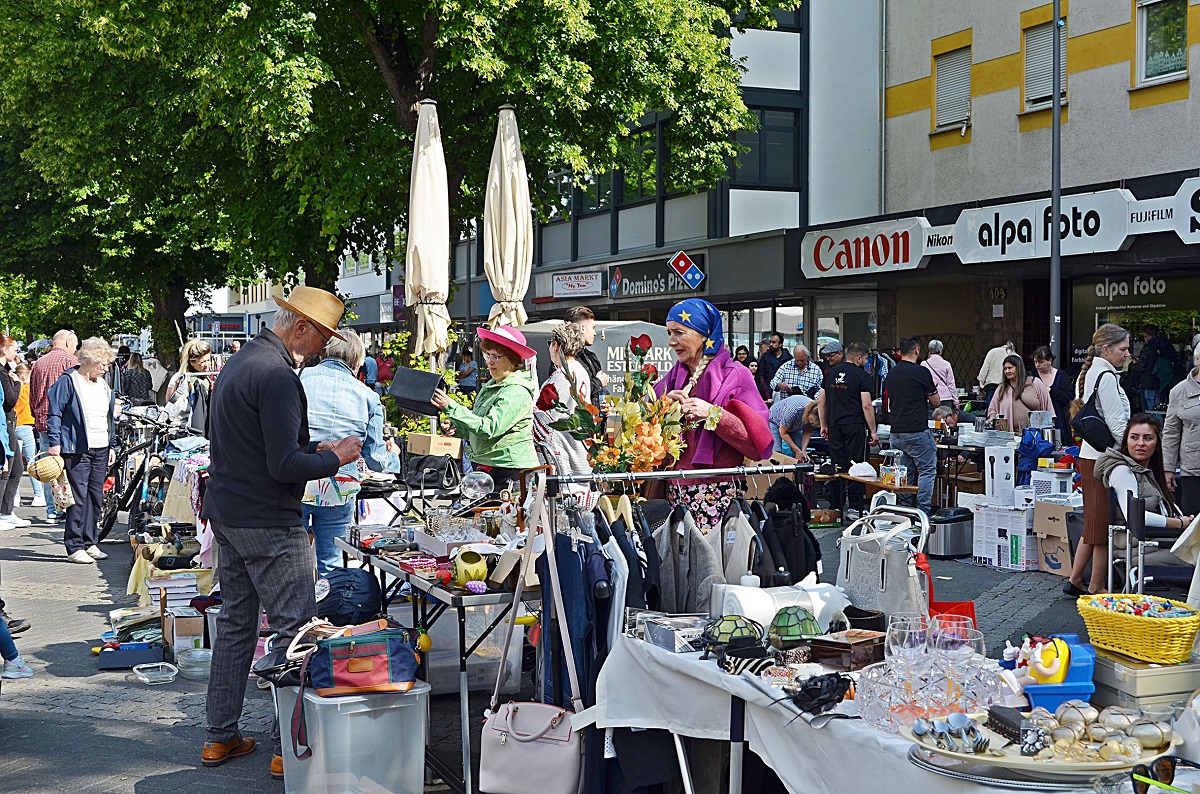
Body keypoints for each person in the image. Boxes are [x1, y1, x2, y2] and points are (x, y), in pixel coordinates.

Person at [200, 286, 362, 779]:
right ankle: (286, 748)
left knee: (234, 626)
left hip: (230, 512)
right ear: (301, 328)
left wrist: (317, 445)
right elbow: (284, 463)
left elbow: (257, 443)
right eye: (324, 337)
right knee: (296, 634)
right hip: (267, 521)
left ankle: (219, 736)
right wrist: (336, 457)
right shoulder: (278, 377)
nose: (324, 348)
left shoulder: (242, 361)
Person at [653, 299, 773, 532]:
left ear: (704, 334)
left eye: (679, 332)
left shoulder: (736, 375)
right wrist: (665, 408)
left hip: (719, 495)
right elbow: (646, 423)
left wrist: (713, 414)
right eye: (669, 333)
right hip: (674, 494)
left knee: (714, 565)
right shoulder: (672, 377)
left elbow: (757, 444)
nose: (671, 341)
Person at [301, 332, 402, 576]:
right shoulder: (368, 396)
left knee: (292, 562)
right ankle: (330, 610)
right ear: (358, 361)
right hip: (340, 483)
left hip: (298, 477)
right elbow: (376, 460)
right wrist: (395, 457)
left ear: (324, 351)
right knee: (332, 562)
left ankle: (293, 612)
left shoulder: (298, 378)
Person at [1065, 323, 1132, 597]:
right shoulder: (1105, 376)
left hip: (1090, 456)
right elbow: (1118, 425)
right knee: (1100, 525)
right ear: (1107, 349)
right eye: (1123, 349)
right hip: (1104, 459)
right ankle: (1096, 586)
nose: (1127, 354)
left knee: (1094, 523)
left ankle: (1075, 579)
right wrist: (1133, 451)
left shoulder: (1091, 373)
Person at [432, 325, 538, 492]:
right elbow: (477, 426)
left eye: (496, 357)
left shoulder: (516, 391)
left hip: (512, 471)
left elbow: (489, 429)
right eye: (487, 354)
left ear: (513, 361)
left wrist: (451, 407)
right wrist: (457, 428)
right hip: (491, 466)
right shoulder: (492, 385)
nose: (489, 361)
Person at [1094, 414, 1193, 586]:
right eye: (1134, 437)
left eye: (1147, 438)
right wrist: (1178, 523)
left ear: (1156, 445)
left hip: (1152, 544)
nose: (1140, 443)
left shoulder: (1145, 471)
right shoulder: (1122, 471)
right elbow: (1135, 516)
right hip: (1137, 550)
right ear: (1126, 442)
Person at [46, 338, 117, 564]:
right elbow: (55, 412)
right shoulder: (69, 381)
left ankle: (90, 541)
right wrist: (55, 442)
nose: (107, 368)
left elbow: (108, 417)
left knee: (96, 496)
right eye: (104, 363)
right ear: (89, 360)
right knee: (77, 497)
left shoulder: (103, 385)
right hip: (76, 448)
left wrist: (112, 444)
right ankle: (74, 545)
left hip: (101, 446)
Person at [817, 341, 877, 518]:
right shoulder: (862, 376)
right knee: (857, 466)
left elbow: (821, 401)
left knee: (837, 465)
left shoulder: (830, 373)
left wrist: (824, 425)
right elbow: (866, 405)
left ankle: (836, 506)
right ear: (859, 357)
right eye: (865, 358)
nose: (866, 362)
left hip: (834, 425)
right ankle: (855, 507)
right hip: (855, 425)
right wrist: (873, 430)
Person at [885, 337, 940, 514]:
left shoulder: (892, 373)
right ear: (917, 350)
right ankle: (922, 511)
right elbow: (936, 401)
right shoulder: (921, 372)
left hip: (896, 432)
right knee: (926, 470)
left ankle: (904, 510)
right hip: (916, 429)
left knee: (903, 472)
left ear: (899, 352)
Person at [29, 330, 78, 522]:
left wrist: (37, 416)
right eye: (75, 344)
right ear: (67, 342)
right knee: (70, 467)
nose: (76, 348)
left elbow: (32, 394)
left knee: (49, 468)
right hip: (66, 424)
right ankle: (68, 508)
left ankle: (52, 509)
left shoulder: (39, 363)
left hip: (43, 422)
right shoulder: (71, 362)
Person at [1163, 343, 1200, 515]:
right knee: (1193, 524)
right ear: (1198, 360)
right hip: (1193, 470)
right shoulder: (1179, 391)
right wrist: (1168, 467)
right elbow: (1171, 432)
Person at [0, 336, 29, 529]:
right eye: (14, 349)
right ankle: (3, 513)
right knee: (7, 469)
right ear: (4, 349)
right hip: (5, 424)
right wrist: (18, 383)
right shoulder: (3, 374)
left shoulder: (5, 371)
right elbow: (10, 400)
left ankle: (6, 512)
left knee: (16, 468)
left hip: (9, 424)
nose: (16, 353)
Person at [986, 354, 1052, 432]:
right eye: (1005, 369)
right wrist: (991, 418)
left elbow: (1047, 404)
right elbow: (993, 408)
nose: (1007, 371)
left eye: (1010, 368)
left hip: (1033, 435)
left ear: (1018, 368)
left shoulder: (1035, 382)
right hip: (1009, 435)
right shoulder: (1002, 388)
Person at [165, 340, 214, 432]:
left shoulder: (206, 379)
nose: (207, 365)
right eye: (203, 362)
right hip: (181, 427)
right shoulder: (181, 378)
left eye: (208, 360)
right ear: (192, 362)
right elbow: (169, 402)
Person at [564, 306, 609, 405]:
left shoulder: (591, 357)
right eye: (593, 328)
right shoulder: (564, 359)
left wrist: (606, 404)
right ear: (582, 328)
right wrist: (598, 382)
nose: (594, 333)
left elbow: (600, 392)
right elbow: (570, 392)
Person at [12, 363, 42, 509]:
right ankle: (38, 495)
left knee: (15, 464)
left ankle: (15, 496)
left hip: (13, 426)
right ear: (24, 376)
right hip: (27, 427)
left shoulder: (14, 390)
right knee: (32, 463)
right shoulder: (28, 389)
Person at [1032, 346, 1073, 439]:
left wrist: (1051, 391)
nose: (1038, 365)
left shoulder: (1062, 375)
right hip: (1037, 419)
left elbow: (1068, 397)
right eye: (1035, 362)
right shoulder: (1031, 376)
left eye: (1041, 362)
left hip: (1059, 420)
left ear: (1050, 361)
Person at [1137, 324, 1178, 411]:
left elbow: (1141, 366)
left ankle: (1156, 424)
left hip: (1150, 382)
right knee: (1161, 407)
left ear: (1146, 336)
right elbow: (1176, 360)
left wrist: (1135, 363)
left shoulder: (1148, 348)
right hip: (1165, 381)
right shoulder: (1167, 345)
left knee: (1152, 408)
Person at [769, 394, 818, 461]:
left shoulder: (817, 413)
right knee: (776, 454)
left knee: (800, 453)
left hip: (795, 425)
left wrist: (803, 450)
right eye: (811, 421)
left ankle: (796, 469)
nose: (811, 423)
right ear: (809, 412)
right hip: (774, 421)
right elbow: (783, 432)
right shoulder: (793, 411)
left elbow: (808, 431)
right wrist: (797, 451)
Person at [978, 340, 1016, 408]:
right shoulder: (1015, 355)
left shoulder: (993, 352)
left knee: (991, 409)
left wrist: (981, 384)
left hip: (991, 385)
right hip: (1008, 385)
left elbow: (985, 368)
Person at [922, 339, 959, 409]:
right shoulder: (946, 364)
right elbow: (951, 384)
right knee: (945, 419)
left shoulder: (924, 364)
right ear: (941, 351)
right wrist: (956, 401)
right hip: (945, 399)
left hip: (929, 399)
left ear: (929, 351)